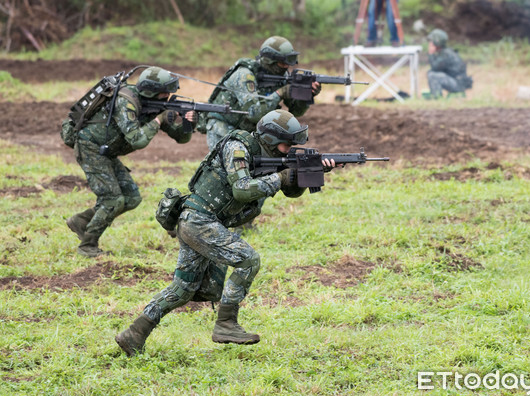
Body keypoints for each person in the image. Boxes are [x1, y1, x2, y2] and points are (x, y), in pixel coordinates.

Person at [115, 110, 336, 356]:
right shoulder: (237, 148)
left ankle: (133, 334)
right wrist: (280, 177)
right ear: (271, 139)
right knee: (248, 260)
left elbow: (289, 190)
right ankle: (226, 324)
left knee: (183, 288)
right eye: (287, 143)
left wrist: (308, 174)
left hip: (200, 223)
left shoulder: (268, 154)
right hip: (199, 221)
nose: (291, 148)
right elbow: (243, 190)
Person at [66, 67, 198, 257]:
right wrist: (159, 120)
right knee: (113, 199)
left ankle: (80, 222)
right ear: (152, 91)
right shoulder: (126, 102)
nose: (168, 96)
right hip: (91, 147)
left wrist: (188, 123)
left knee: (131, 197)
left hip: (107, 150)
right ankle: (87, 246)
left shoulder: (155, 105)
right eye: (165, 92)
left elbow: (181, 139)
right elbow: (137, 140)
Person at [204, 35, 321, 151]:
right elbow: (254, 113)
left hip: (245, 129)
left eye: (288, 62)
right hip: (223, 126)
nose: (286, 66)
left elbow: (296, 111)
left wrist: (306, 95)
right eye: (282, 62)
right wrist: (280, 93)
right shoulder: (244, 75)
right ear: (270, 60)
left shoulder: (280, 76)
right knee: (233, 161)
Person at [426, 29, 473, 99]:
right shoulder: (445, 52)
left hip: (458, 84)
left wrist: (431, 54)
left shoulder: (446, 54)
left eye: (432, 42)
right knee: (431, 73)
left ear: (436, 42)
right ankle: (436, 96)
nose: (430, 43)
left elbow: (435, 68)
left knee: (432, 75)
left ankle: (436, 97)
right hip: (458, 82)